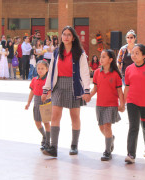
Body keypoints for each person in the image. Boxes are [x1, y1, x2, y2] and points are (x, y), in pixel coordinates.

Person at [41, 26, 91, 157]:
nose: (66, 37)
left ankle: (74, 145)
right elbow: (51, 71)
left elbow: (85, 72)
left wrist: (86, 90)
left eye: (69, 35)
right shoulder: (57, 52)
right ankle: (53, 147)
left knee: (74, 117)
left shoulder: (79, 52)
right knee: (55, 116)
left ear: (73, 38)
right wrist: (46, 89)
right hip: (58, 86)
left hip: (74, 86)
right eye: (64, 34)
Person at [124, 44, 145, 164]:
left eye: (137, 53)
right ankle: (131, 154)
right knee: (133, 127)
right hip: (132, 102)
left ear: (144, 56)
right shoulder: (128, 69)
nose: (133, 55)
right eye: (132, 53)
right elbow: (127, 87)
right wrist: (123, 101)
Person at [90, 49, 124, 161]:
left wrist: (122, 104)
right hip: (100, 104)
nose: (101, 59)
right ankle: (111, 139)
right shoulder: (96, 73)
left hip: (111, 104)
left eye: (104, 57)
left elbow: (120, 91)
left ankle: (107, 151)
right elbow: (95, 88)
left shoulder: (115, 74)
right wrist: (89, 96)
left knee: (107, 126)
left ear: (110, 60)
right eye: (101, 56)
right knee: (101, 126)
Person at [25, 60, 51, 152]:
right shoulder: (34, 80)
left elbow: (51, 92)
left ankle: (47, 142)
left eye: (42, 68)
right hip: (36, 102)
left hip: (46, 103)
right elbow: (32, 92)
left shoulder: (48, 80)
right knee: (37, 122)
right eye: (38, 68)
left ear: (47, 69)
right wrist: (28, 103)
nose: (40, 70)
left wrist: (47, 96)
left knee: (46, 122)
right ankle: (44, 136)